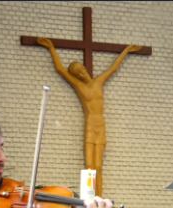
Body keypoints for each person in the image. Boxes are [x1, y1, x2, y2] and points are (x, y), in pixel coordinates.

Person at [37, 37, 141, 197]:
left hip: (101, 128)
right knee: (89, 166)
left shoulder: (99, 81)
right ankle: (89, 199)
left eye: (82, 70)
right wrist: (51, 48)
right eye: (78, 73)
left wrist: (126, 51)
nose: (82, 74)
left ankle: (99, 199)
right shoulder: (79, 86)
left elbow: (113, 68)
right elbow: (60, 69)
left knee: (98, 166)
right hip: (90, 128)